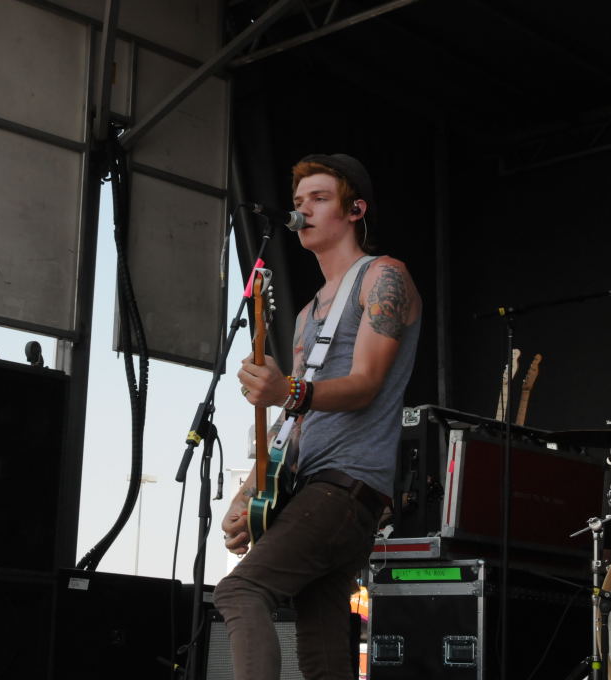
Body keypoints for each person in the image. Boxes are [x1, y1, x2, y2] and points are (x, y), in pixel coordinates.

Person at [214, 153, 422, 680]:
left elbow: (365, 384)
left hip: (346, 484)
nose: (303, 210)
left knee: (240, 590)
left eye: (320, 198)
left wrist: (287, 389)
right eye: (299, 201)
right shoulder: (309, 313)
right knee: (323, 646)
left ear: (355, 210)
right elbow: (296, 418)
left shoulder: (384, 276)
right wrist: (249, 494)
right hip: (317, 488)